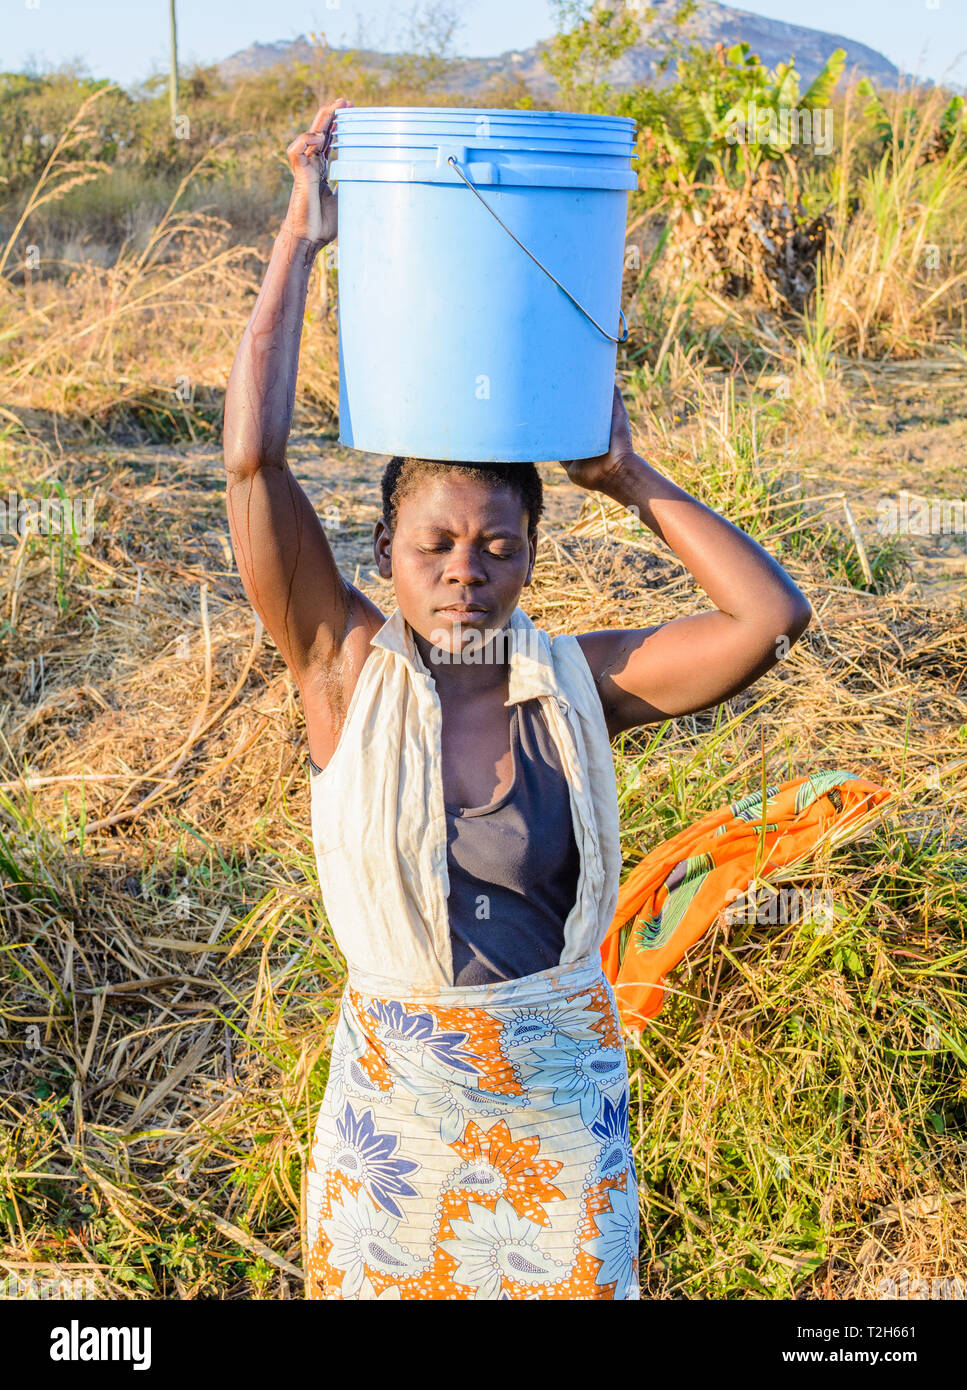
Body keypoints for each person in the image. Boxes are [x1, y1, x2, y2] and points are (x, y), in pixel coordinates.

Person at [222, 98, 812, 1301]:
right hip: (396, 1115)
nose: (464, 569)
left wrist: (626, 473)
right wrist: (301, 234)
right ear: (385, 547)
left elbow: (767, 620)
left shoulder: (575, 686)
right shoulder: (339, 666)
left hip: (557, 1114)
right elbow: (252, 461)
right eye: (435, 542)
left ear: (534, 556)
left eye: (499, 544)